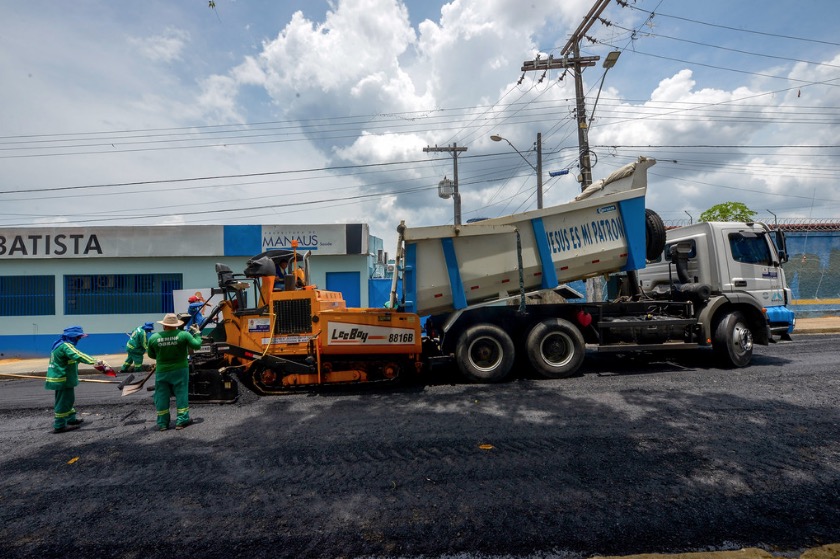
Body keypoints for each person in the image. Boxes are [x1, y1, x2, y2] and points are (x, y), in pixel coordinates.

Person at [45, 325, 107, 434]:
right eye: (78, 337)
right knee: (63, 402)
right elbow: (78, 355)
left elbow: (72, 359)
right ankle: (59, 425)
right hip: (62, 379)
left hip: (63, 378)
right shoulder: (66, 346)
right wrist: (94, 361)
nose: (79, 339)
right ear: (72, 337)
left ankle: (71, 419)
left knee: (68, 400)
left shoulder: (60, 344)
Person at [147, 313, 203, 431]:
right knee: (181, 394)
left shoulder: (153, 338)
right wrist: (198, 334)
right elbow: (197, 345)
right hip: (180, 370)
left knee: (161, 396)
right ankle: (181, 421)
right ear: (176, 325)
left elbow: (151, 355)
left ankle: (162, 423)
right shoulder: (184, 335)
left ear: (164, 326)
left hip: (162, 371)